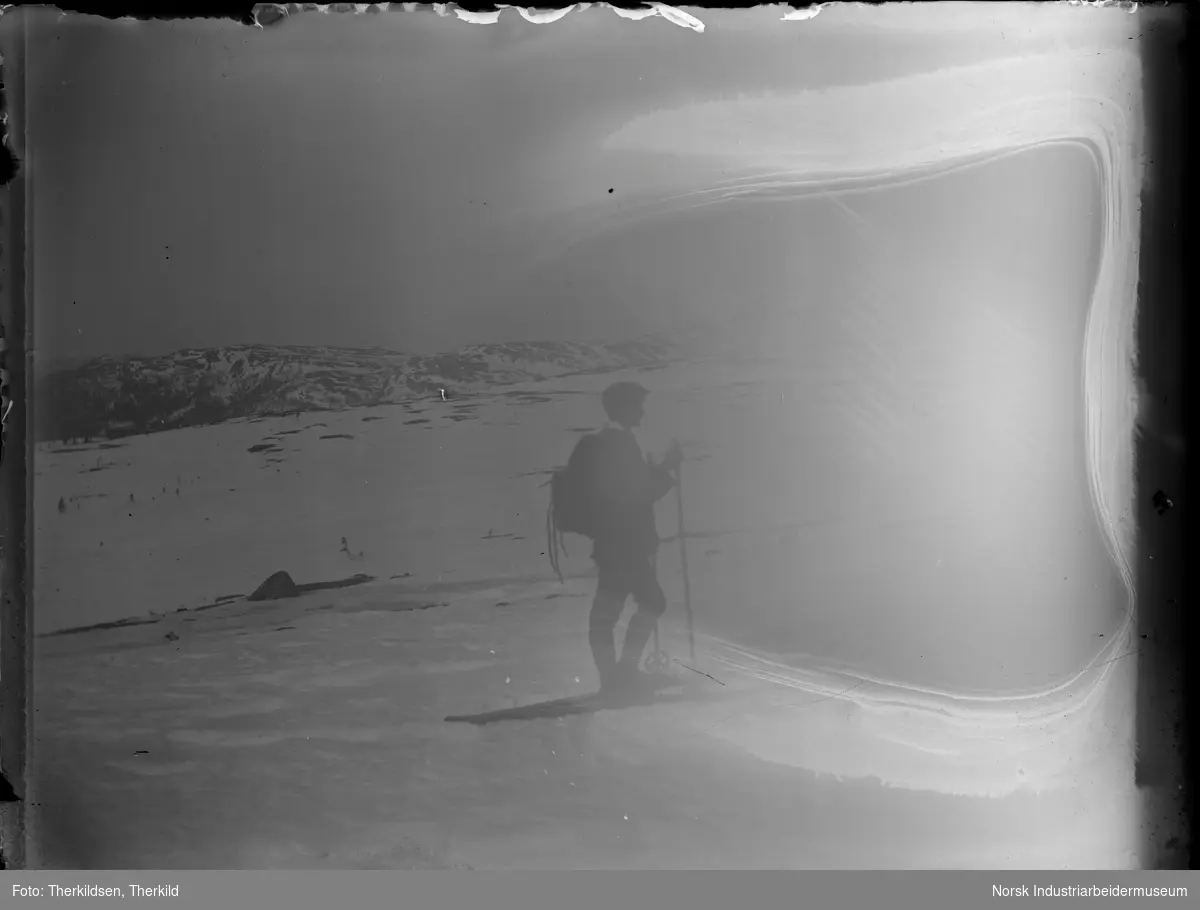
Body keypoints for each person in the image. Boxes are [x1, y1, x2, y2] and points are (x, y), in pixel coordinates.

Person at [585, 381, 682, 699]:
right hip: (622, 547)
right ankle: (617, 680)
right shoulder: (616, 445)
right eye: (637, 405)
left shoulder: (615, 442)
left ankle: (619, 678)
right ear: (622, 409)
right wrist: (665, 471)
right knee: (625, 611)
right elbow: (636, 495)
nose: (641, 411)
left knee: (621, 611)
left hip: (621, 546)